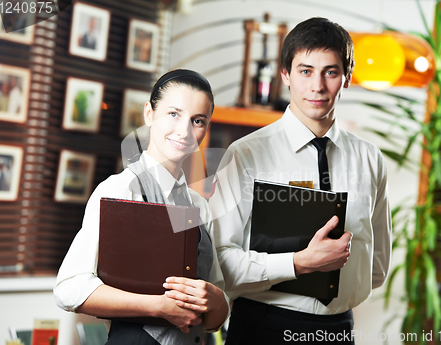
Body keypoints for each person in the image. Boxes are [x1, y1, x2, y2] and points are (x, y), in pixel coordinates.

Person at [209, 17, 392, 344]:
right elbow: (220, 262)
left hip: (338, 331)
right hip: (262, 327)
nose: (317, 86)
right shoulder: (246, 154)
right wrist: (297, 263)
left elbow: (376, 267)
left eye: (330, 72)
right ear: (286, 76)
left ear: (347, 78)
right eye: (305, 71)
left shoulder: (370, 158)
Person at [54, 69, 230, 345]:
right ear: (149, 113)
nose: (184, 131)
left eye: (197, 120)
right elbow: (69, 289)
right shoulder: (121, 189)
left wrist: (217, 300)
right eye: (173, 114)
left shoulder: (198, 205)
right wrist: (158, 307)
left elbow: (215, 314)